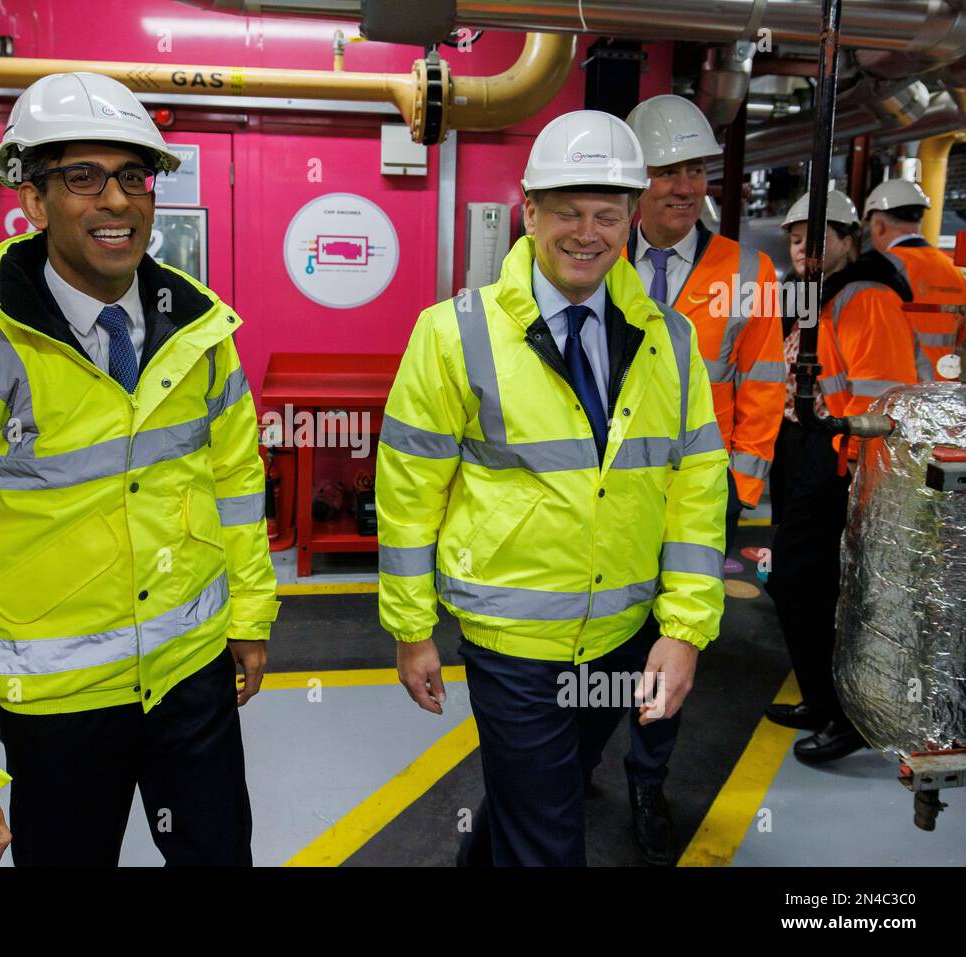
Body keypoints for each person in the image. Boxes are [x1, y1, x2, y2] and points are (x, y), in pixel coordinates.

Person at [0, 72, 279, 866]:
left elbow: (235, 486)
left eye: (132, 175)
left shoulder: (200, 333)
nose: (114, 200)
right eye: (81, 176)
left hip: (193, 681)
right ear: (33, 199)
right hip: (58, 709)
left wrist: (250, 616)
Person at [376, 110, 727, 867]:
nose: (587, 232)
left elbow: (696, 485)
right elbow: (410, 490)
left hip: (623, 636)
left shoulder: (670, 337)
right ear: (528, 211)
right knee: (549, 842)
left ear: (631, 218)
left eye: (607, 214)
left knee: (538, 793)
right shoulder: (452, 333)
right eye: (567, 211)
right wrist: (411, 629)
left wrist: (685, 626)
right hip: (515, 646)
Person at [621, 94, 786, 865]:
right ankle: (575, 755)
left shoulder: (748, 273)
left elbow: (764, 387)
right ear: (636, 179)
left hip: (695, 501)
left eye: (694, 169)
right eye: (666, 171)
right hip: (601, 499)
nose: (684, 186)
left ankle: (647, 779)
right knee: (591, 639)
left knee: (673, 643)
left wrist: (739, 493)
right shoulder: (591, 253)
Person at [763, 188, 916, 764]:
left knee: (801, 582)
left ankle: (843, 714)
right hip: (807, 450)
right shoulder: (815, 295)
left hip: (838, 460)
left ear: (852, 240)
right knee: (810, 584)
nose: (806, 249)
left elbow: (885, 398)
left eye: (820, 239)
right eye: (798, 240)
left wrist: (854, 468)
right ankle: (819, 697)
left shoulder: (865, 297)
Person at [863, 178, 966, 381]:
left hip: (901, 392)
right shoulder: (954, 271)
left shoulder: (880, 271)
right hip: (947, 393)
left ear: (878, 225)